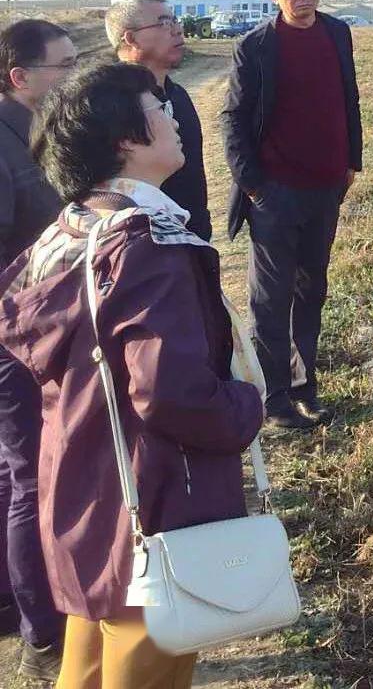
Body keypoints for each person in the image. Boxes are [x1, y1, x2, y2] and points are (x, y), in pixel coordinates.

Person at [0, 61, 264, 688]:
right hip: (151, 495)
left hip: (85, 484)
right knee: (148, 670)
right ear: (126, 138)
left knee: (91, 666)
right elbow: (172, 392)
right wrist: (246, 405)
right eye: (157, 108)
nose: (173, 117)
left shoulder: (71, 231)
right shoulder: (146, 247)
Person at [222, 0, 362, 431]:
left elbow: (348, 98)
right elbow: (234, 119)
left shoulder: (338, 34)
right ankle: (274, 396)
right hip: (276, 192)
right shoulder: (257, 47)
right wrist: (255, 186)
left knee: (312, 289)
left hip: (326, 187)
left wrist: (351, 164)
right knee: (270, 296)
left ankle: (307, 388)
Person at [0, 19, 76, 682]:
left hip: (44, 328)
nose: (71, 79)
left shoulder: (35, 136)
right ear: (21, 78)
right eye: (63, 67)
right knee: (32, 476)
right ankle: (43, 636)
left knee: (22, 470)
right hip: (15, 339)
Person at [104, 0, 212, 241]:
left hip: (191, 234)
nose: (177, 30)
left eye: (175, 20)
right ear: (131, 38)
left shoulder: (178, 95)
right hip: (140, 243)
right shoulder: (111, 105)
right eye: (164, 23)